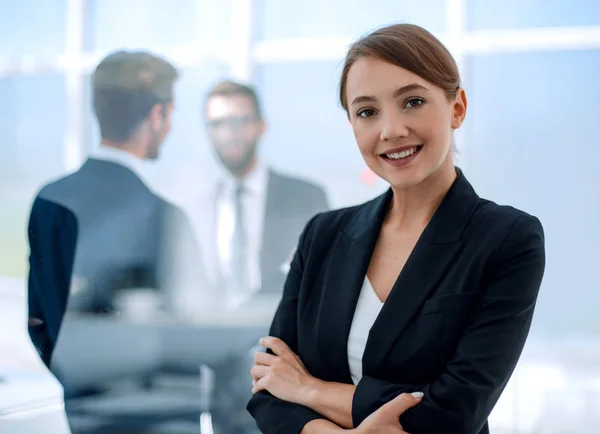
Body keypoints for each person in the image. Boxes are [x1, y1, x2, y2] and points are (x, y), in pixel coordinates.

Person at [247, 23, 545, 434]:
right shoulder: (323, 235)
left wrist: (309, 389)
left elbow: (451, 414)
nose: (391, 131)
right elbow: (267, 391)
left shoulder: (507, 239)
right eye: (367, 112)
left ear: (457, 107)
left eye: (413, 102)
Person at [27, 50, 203, 366]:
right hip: (153, 403)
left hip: (79, 398)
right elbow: (187, 333)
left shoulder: (50, 199)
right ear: (156, 115)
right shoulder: (163, 216)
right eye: (171, 114)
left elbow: (39, 320)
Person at [196, 80, 329, 309]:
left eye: (240, 121)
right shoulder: (198, 207)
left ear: (261, 126)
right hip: (211, 336)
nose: (229, 133)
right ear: (208, 133)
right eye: (218, 123)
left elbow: (323, 279)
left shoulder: (306, 198)